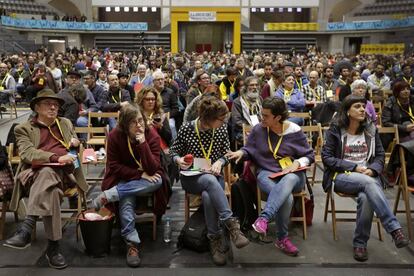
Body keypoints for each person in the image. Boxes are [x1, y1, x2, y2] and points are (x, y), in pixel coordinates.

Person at [4, 89, 88, 269]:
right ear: (36, 107)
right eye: (48, 104)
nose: (53, 107)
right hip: (33, 175)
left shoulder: (64, 123)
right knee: (51, 183)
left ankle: (27, 228)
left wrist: (76, 142)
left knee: (51, 180)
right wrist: (55, 158)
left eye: (56, 105)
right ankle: (53, 248)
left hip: (65, 174)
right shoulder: (23, 128)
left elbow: (73, 144)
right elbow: (28, 154)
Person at [321, 95, 409, 262]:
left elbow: (380, 155)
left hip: (367, 176)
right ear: (347, 111)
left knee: (366, 197)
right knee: (369, 184)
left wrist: (374, 169)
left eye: (363, 106)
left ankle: (360, 244)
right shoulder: (335, 129)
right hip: (342, 176)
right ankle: (394, 229)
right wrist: (353, 167)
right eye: (357, 106)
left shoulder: (370, 129)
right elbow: (327, 158)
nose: (363, 109)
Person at [226, 97, 314, 256]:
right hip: (267, 172)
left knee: (290, 178)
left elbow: (309, 155)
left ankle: (264, 218)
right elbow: (249, 150)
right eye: (261, 114)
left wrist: (298, 163)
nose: (261, 118)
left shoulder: (294, 130)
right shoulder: (259, 129)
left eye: (266, 116)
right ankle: (282, 239)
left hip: (292, 173)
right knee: (286, 198)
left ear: (278, 117)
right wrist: (240, 152)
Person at [170, 96, 249, 266]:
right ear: (208, 119)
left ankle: (214, 239)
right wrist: (179, 160)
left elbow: (226, 154)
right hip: (191, 177)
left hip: (214, 176)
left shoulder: (220, 130)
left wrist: (220, 161)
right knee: (209, 181)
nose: (224, 122)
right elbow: (173, 152)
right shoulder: (187, 128)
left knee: (208, 195)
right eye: (221, 119)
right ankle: (231, 225)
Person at [90, 104, 164, 267]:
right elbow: (114, 166)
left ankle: (108, 196)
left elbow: (153, 168)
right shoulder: (116, 135)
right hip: (124, 176)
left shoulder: (151, 135)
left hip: (147, 178)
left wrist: (143, 143)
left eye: (140, 121)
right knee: (126, 198)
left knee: (158, 180)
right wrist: (138, 174)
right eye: (133, 122)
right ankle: (131, 243)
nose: (139, 125)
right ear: (125, 125)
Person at [231, 76, 262, 145]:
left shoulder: (259, 99)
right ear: (246, 87)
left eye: (256, 85)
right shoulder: (237, 101)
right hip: (242, 130)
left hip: (259, 128)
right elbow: (237, 121)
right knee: (257, 139)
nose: (255, 87)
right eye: (252, 85)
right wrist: (251, 128)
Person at [382, 81, 414, 145]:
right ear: (397, 92)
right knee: (406, 123)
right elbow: (386, 122)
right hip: (399, 131)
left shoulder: (412, 100)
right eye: (403, 89)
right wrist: (404, 128)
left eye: (408, 89)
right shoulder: (390, 102)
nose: (406, 91)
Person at [152, 71, 179, 139]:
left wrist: (166, 115)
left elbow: (176, 109)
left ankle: (173, 145)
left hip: (168, 116)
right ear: (153, 82)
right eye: (158, 80)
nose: (161, 81)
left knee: (171, 126)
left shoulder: (170, 92)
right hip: (153, 116)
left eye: (162, 79)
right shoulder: (150, 92)